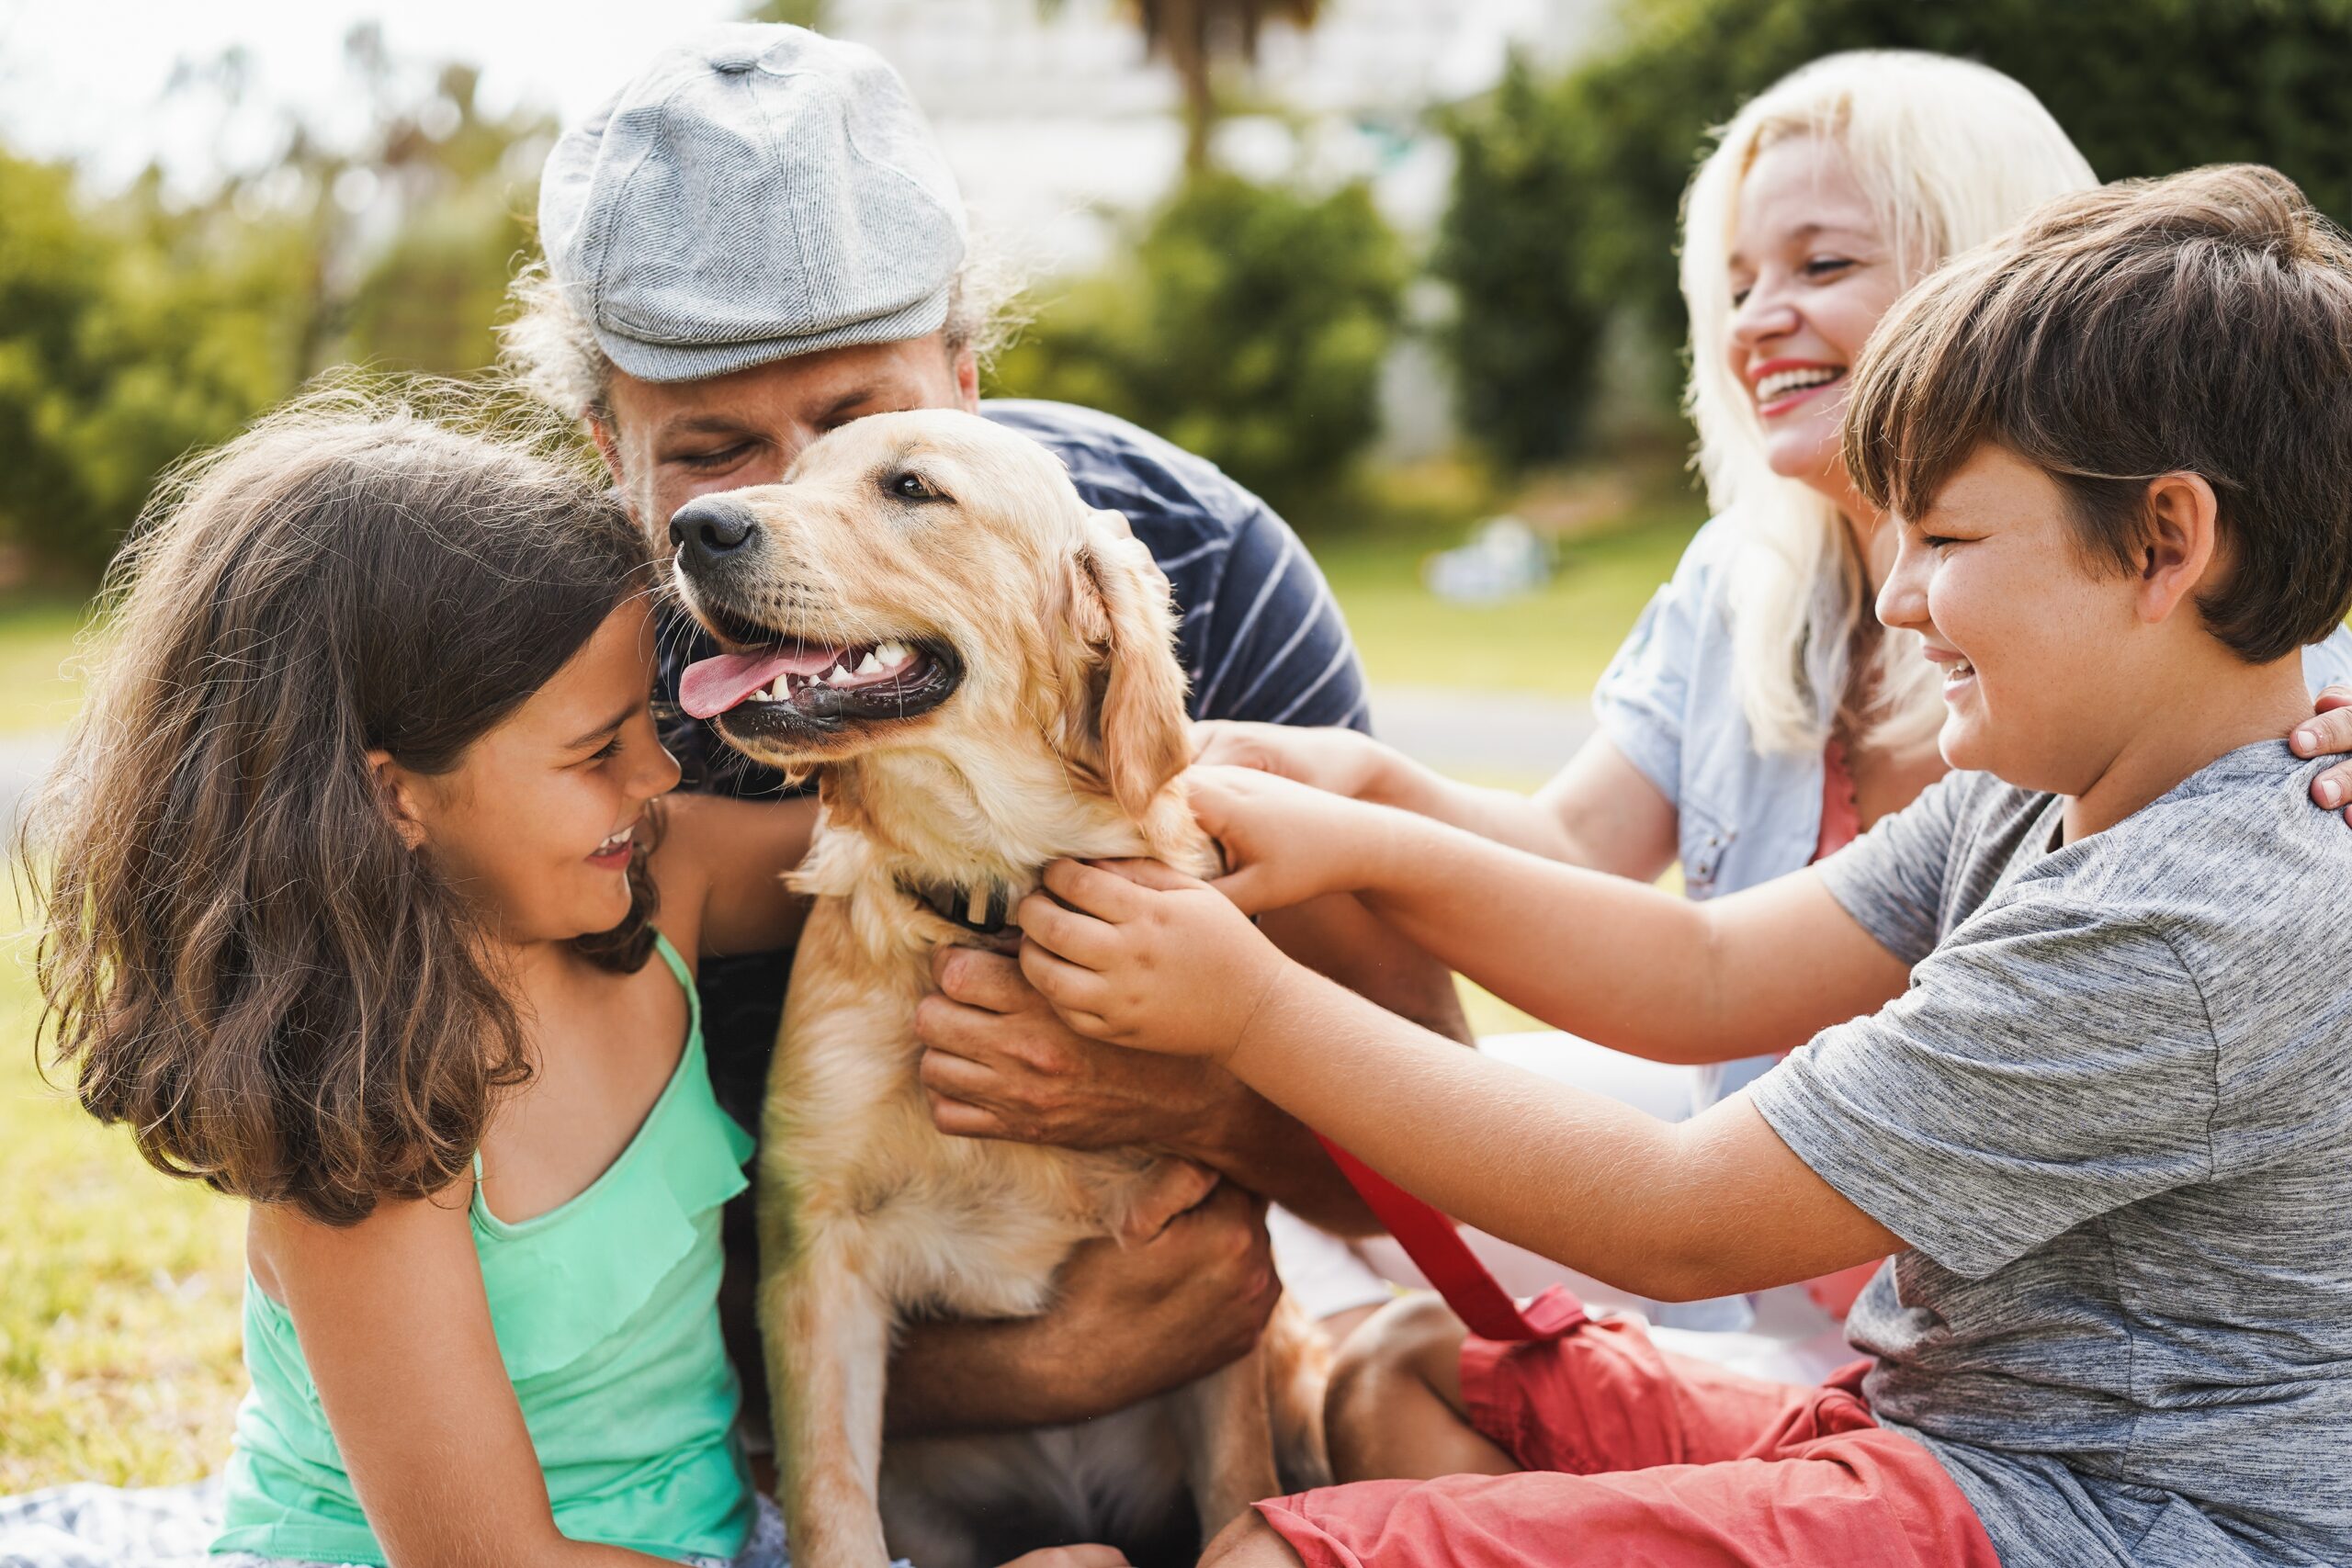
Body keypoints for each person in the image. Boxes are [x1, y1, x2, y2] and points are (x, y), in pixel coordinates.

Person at [1020, 164, 2352, 1568]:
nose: (1899, 597)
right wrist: (1364, 829)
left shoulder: (2176, 929)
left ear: (2165, 540)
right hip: (1937, 1441)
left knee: (1294, 1552)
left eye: (1947, 540)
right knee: (1402, 1362)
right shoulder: (2038, 797)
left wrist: (1248, 1009)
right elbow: (1704, 969)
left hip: (2106, 1519)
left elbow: (1680, 1217)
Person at [1197, 49, 2352, 1337]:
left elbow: (1678, 1210)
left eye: (1822, 265)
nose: (1754, 318)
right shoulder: (1754, 586)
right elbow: (1661, 932)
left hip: (1987, 1349)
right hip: (1804, 1233)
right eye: (1737, 282)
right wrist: (1357, 794)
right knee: (1328, 1231)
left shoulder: (2253, 730)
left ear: (1993, 280)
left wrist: (1245, 1000)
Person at [497, 21, 1467, 1436]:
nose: (781, 521)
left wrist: (1201, 1101)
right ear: (608, 450)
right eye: (710, 454)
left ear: (964, 376)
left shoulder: (1189, 572)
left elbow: (1432, 1170)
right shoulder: (542, 689)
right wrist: (1014, 1377)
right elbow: (520, 1260)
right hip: (799, 1422)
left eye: (858, 429)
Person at [22, 389, 1122, 1568]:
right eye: (597, 751)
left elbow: (985, 844)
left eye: (648, 721)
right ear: (394, 796)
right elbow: (487, 1558)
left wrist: (1247, 785)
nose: (661, 773)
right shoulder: (364, 1119)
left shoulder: (667, 882)